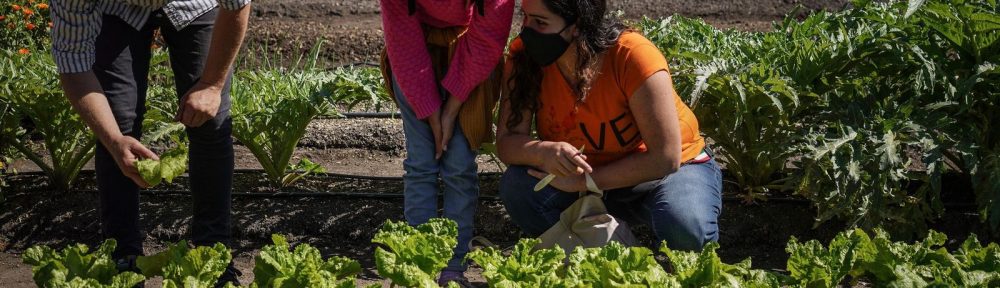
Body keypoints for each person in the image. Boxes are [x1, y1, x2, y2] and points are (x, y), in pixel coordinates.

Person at [496, 0, 723, 252]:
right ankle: (600, 252)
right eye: (525, 17)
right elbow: (508, 142)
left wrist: (585, 182)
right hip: (585, 177)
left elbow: (665, 158)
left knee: (686, 227)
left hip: (667, 173)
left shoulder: (632, 55)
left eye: (540, 22)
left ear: (577, 25)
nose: (527, 30)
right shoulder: (525, 57)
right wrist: (542, 152)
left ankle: (627, 256)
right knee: (518, 188)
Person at [51, 0, 251, 285]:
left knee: (211, 120)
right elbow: (73, 63)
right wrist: (115, 139)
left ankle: (213, 254)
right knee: (117, 122)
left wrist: (212, 85)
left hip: (195, 3)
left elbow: (238, 5)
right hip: (114, 9)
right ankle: (123, 258)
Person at [379, 0, 514, 285]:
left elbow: (488, 34)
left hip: (471, 54)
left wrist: (451, 109)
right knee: (421, 165)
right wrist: (430, 111)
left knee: (459, 168)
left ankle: (454, 267)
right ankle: (419, 268)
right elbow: (403, 40)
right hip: (414, 54)